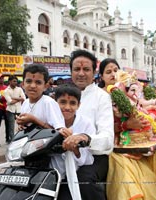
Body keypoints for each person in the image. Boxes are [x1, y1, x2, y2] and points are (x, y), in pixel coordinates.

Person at [98, 61, 156, 199]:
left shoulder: (130, 95)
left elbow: (149, 118)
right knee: (125, 170)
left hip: (141, 144)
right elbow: (99, 129)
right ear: (101, 76)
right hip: (117, 149)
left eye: (116, 70)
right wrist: (126, 125)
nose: (114, 74)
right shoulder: (100, 97)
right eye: (108, 72)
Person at [58, 50, 115, 200]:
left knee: (83, 181)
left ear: (94, 72)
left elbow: (107, 139)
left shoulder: (102, 97)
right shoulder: (62, 95)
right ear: (71, 72)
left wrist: (85, 138)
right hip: (63, 155)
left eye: (86, 69)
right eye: (77, 69)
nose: (81, 73)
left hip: (94, 158)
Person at [4, 75, 25, 143]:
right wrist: (19, 99)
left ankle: (20, 140)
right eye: (14, 81)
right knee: (11, 127)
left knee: (21, 125)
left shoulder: (19, 89)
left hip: (19, 110)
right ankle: (13, 141)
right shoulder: (6, 90)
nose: (16, 82)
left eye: (16, 81)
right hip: (10, 110)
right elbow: (10, 102)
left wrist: (14, 98)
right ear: (9, 81)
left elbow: (24, 98)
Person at [0, 73, 9, 146]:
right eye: (0, 78)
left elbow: (8, 97)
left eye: (3, 78)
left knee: (8, 124)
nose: (2, 79)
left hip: (6, 108)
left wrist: (3, 98)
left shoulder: (7, 87)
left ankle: (8, 139)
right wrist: (2, 98)